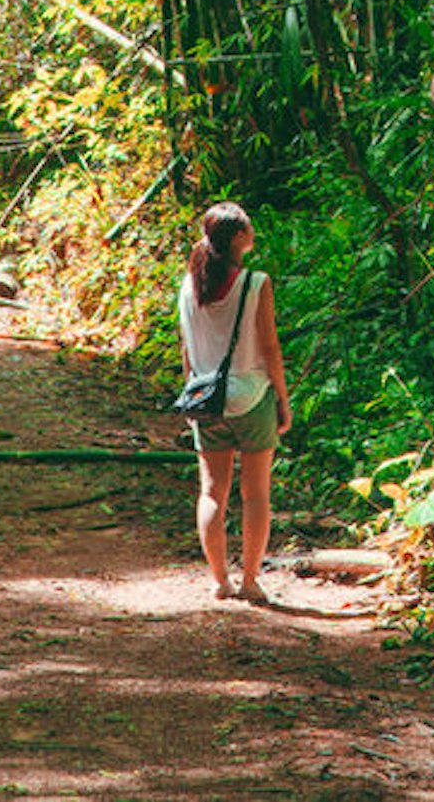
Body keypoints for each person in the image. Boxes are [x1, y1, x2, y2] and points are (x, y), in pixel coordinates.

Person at [177, 200, 294, 603]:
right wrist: (282, 397)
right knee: (256, 493)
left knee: (212, 492)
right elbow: (270, 346)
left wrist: (192, 394)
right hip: (252, 396)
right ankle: (249, 580)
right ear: (239, 238)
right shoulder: (255, 283)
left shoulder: (189, 286)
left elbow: (187, 350)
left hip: (205, 399)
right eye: (249, 226)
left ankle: (218, 581)